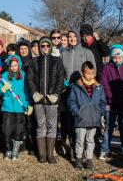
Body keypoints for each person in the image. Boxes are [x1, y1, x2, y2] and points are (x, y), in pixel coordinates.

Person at [27, 37, 64, 164]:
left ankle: (50, 155)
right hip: (39, 100)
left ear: (50, 47)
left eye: (47, 46)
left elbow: (60, 79)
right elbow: (30, 79)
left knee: (52, 126)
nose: (45, 48)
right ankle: (42, 155)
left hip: (52, 101)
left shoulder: (57, 61)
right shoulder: (34, 61)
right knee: (40, 126)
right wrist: (34, 93)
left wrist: (56, 94)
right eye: (43, 46)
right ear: (40, 47)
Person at [60, 30, 96, 159]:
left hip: (83, 92)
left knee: (81, 122)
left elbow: (93, 72)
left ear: (78, 38)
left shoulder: (87, 52)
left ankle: (84, 150)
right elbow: (60, 72)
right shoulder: (63, 54)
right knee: (70, 122)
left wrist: (86, 85)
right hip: (68, 91)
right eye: (69, 37)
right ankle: (73, 150)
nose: (72, 39)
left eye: (74, 36)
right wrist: (63, 82)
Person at [99, 44, 123, 159]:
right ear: (111, 57)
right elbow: (104, 83)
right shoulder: (107, 68)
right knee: (108, 127)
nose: (117, 59)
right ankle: (105, 149)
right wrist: (110, 96)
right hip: (110, 103)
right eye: (115, 57)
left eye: (120, 57)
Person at [68, 61, 106, 171]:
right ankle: (79, 159)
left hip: (93, 118)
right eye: (88, 73)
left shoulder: (99, 87)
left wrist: (100, 113)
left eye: (92, 73)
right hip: (81, 119)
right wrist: (76, 112)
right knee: (80, 140)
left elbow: (103, 102)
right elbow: (71, 101)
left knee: (90, 140)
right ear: (82, 73)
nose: (90, 76)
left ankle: (89, 160)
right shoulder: (76, 87)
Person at [0, 55, 33, 160]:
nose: (13, 68)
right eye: (11, 66)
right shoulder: (4, 76)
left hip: (20, 107)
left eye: (15, 65)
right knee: (6, 130)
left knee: (18, 130)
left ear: (19, 65)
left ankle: (15, 150)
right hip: (7, 107)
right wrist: (3, 89)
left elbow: (27, 91)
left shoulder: (24, 76)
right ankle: (8, 149)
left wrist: (29, 104)